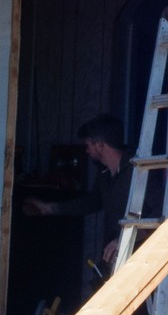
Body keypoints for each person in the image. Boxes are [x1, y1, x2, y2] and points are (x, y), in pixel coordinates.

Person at [25, 115, 132, 287]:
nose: (86, 150)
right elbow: (94, 201)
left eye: (87, 144)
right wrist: (51, 208)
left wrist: (125, 238)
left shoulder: (139, 169)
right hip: (114, 255)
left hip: (140, 255)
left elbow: (157, 215)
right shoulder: (104, 174)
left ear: (100, 145)